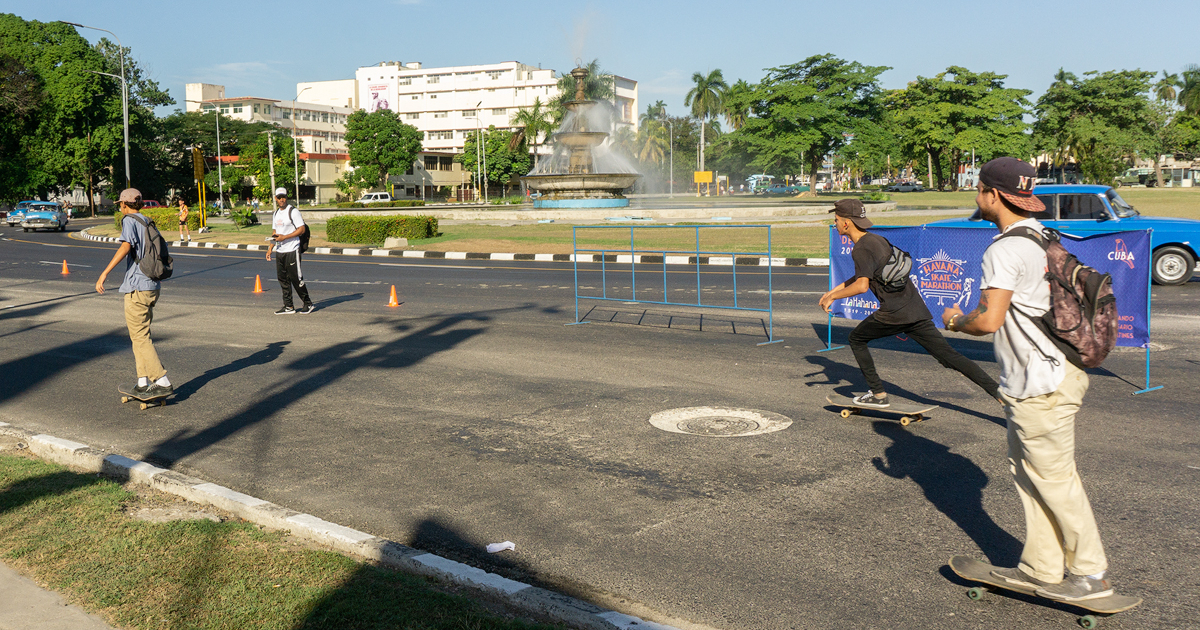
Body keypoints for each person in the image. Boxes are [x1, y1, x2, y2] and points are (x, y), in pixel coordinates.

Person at [941, 157, 1112, 602]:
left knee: (1054, 479)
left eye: (978, 188)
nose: (976, 196)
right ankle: (1043, 566)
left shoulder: (1002, 249)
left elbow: (989, 321)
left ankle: (1090, 573)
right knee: (1031, 474)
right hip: (1050, 375)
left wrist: (957, 322)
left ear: (991, 195)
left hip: (1041, 383)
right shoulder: (1040, 236)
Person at [818, 198, 999, 408]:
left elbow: (861, 286)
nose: (836, 223)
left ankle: (878, 395)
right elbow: (863, 277)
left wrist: (833, 298)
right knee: (949, 357)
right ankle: (997, 392)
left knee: (856, 339)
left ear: (846, 223)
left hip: (894, 313)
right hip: (915, 310)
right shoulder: (876, 240)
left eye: (837, 219)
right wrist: (833, 291)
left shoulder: (860, 249)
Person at [95, 188, 172, 398]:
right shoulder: (146, 220)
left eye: (120, 204)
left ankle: (162, 380)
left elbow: (126, 246)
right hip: (152, 285)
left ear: (124, 205)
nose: (120, 207)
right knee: (140, 335)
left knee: (139, 336)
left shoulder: (129, 220)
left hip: (138, 286)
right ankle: (141, 382)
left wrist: (104, 273)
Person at [267, 187, 313, 314]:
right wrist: (270, 248)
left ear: (287, 197)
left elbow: (301, 229)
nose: (282, 200)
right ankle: (289, 306)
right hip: (280, 251)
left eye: (284, 197)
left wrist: (285, 237)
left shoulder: (293, 212)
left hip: (292, 249)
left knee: (296, 278)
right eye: (279, 197)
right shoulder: (276, 214)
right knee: (283, 279)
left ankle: (308, 303)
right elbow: (275, 232)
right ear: (275, 198)